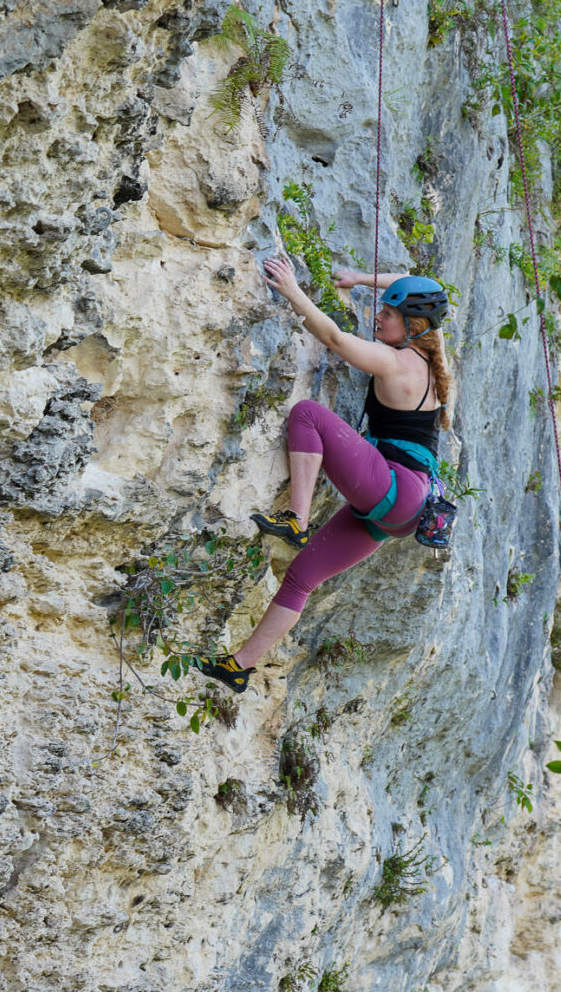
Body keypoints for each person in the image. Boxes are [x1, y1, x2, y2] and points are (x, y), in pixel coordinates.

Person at [187, 259, 454, 694]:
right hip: (404, 510)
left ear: (414, 325)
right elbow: (423, 287)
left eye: (388, 313)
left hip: (395, 485)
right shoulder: (431, 362)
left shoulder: (396, 362)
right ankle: (237, 667)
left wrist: (292, 290)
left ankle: (297, 518)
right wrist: (361, 280)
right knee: (301, 579)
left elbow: (333, 337)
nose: (377, 315)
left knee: (308, 413)